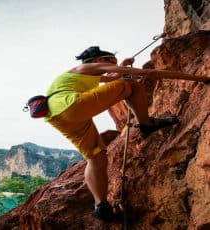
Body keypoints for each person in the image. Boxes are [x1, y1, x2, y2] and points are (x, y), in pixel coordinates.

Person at [44, 46, 196, 222]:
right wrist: (198, 78)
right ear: (100, 60)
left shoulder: (80, 75)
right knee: (130, 85)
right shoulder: (86, 67)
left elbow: (113, 78)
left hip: (57, 114)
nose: (112, 66)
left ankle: (100, 205)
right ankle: (146, 124)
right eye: (111, 62)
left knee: (95, 156)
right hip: (71, 103)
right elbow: (138, 75)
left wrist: (122, 65)